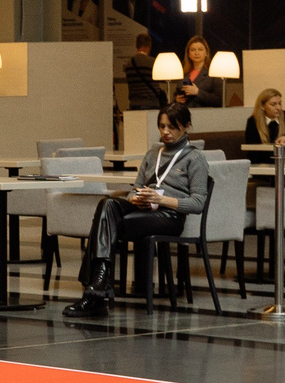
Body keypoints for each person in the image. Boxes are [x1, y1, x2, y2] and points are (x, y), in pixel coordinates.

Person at [63, 103, 209, 318]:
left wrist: (161, 199)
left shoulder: (194, 158)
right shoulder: (153, 153)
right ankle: (98, 286)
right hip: (144, 210)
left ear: (186, 127)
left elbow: (198, 203)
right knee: (107, 204)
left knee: (105, 224)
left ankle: (96, 290)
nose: (165, 132)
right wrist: (137, 198)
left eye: (172, 127)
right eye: (162, 126)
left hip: (169, 216)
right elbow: (135, 188)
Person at [241, 88, 285, 163]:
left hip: (284, 163)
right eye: (273, 104)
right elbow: (252, 152)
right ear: (262, 106)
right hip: (262, 164)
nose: (279, 108)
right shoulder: (253, 121)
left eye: (280, 103)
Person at [172, 34, 224, 108]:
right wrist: (177, 99)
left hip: (205, 113)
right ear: (188, 54)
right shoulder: (183, 73)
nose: (196, 53)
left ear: (206, 52)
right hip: (184, 112)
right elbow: (175, 95)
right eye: (192, 50)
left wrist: (198, 92)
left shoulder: (214, 73)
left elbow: (219, 100)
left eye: (200, 49)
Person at [123, 33, 164, 110]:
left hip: (134, 104)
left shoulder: (128, 64)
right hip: (151, 103)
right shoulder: (153, 62)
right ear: (149, 46)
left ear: (137, 45)